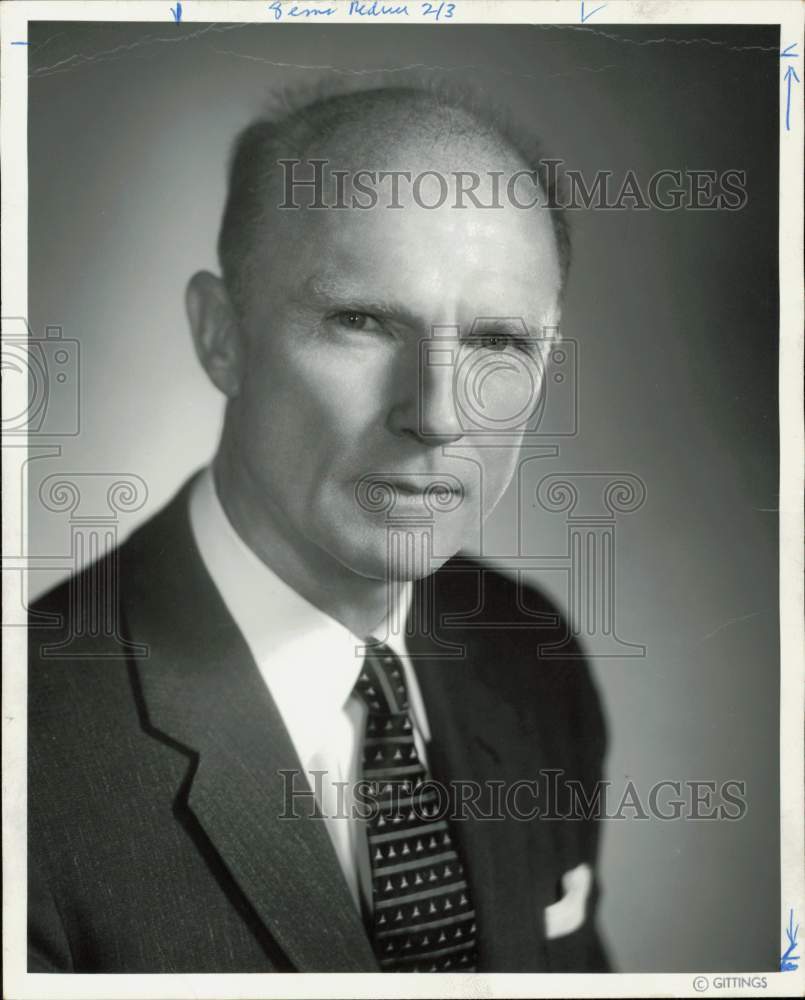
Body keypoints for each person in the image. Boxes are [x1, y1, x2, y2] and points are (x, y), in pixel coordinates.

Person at [28, 82, 610, 973]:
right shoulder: (28, 752)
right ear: (221, 336)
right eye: (362, 321)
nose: (439, 415)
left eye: (499, 342)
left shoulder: (530, 654)